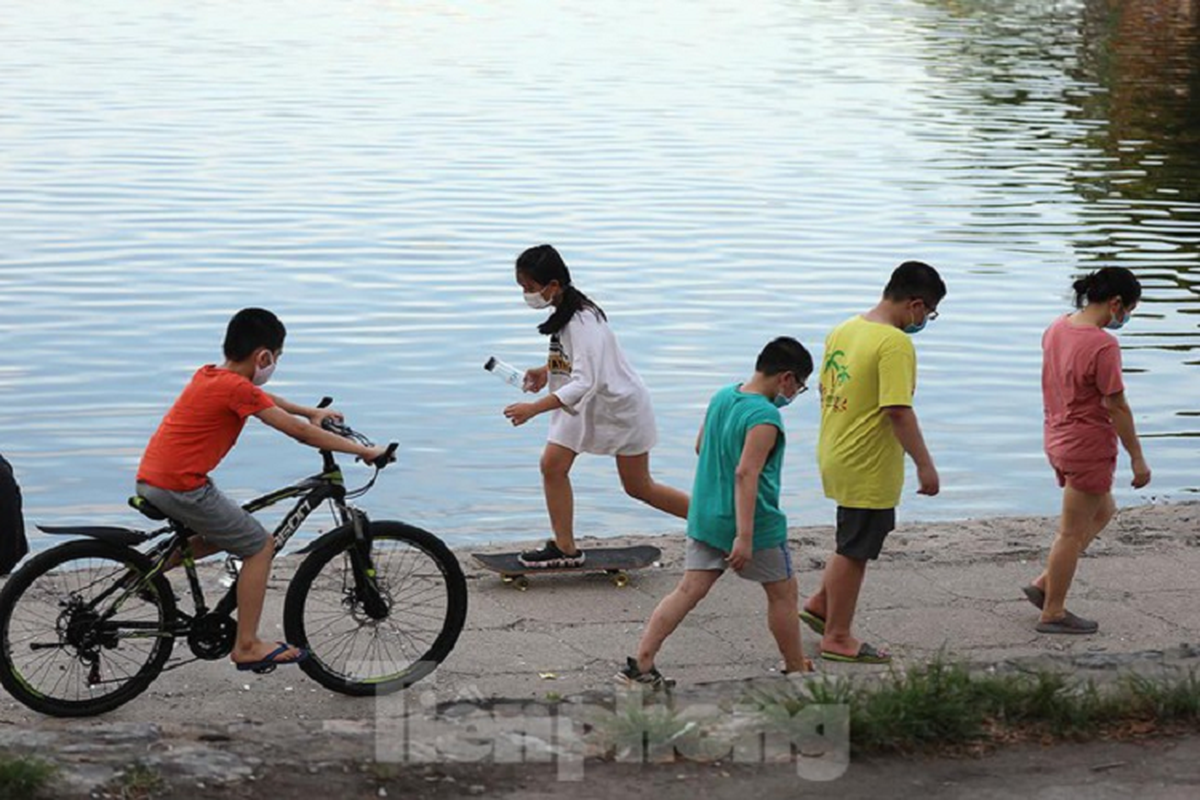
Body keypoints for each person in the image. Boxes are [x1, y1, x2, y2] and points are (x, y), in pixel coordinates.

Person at [136, 308, 388, 672]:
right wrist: (365, 451)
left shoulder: (212, 375)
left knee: (226, 531)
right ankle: (248, 645)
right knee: (259, 546)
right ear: (264, 356)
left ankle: (143, 573)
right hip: (183, 487)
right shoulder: (235, 388)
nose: (275, 366)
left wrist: (308, 411)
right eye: (277, 359)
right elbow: (298, 433)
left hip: (157, 480)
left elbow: (264, 400)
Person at [619, 337, 815, 689]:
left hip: (706, 516)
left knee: (687, 591)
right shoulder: (765, 416)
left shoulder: (723, 396)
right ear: (786, 378)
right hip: (755, 524)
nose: (794, 395)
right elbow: (746, 473)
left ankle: (641, 664)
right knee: (783, 595)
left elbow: (700, 446)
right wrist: (744, 536)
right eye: (799, 386)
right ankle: (796, 667)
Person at [503, 244, 689, 568]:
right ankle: (566, 548)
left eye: (530, 288)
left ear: (553, 286)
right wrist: (545, 371)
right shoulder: (564, 310)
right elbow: (579, 365)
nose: (526, 295)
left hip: (618, 408)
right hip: (585, 407)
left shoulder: (582, 319)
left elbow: (584, 381)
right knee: (552, 466)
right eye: (522, 288)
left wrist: (534, 408)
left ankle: (720, 524)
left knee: (638, 486)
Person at [801, 261, 946, 664]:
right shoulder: (894, 343)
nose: (925, 322)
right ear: (915, 305)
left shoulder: (845, 329)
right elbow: (898, 410)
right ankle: (838, 636)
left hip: (836, 448)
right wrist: (925, 464)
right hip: (867, 460)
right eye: (929, 314)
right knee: (856, 550)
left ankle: (820, 605)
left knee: (850, 538)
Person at [1023, 267, 1150, 634]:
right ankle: (1054, 611)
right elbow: (1116, 405)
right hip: (1087, 445)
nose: (1124, 318)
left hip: (1057, 436)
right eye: (1128, 310)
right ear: (1115, 304)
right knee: (1069, 533)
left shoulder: (1058, 327)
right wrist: (1138, 458)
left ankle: (1046, 582)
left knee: (1104, 509)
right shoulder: (1102, 344)